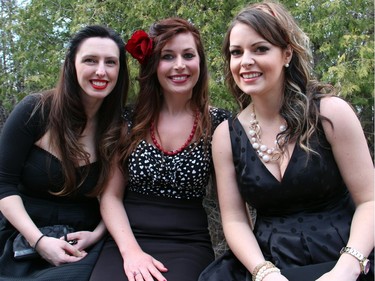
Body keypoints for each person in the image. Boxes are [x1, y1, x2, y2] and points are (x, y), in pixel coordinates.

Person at [199, 2, 374, 281]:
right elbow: (234, 220)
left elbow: (370, 200)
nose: (245, 61)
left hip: (347, 253)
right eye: (236, 52)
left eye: (260, 49)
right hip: (271, 261)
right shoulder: (226, 135)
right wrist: (264, 272)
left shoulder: (330, 114)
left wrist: (348, 267)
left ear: (287, 54)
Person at [89, 17, 230, 281]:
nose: (179, 65)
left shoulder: (219, 124)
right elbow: (110, 197)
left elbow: (231, 205)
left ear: (200, 61)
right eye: (167, 56)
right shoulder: (129, 121)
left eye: (188, 55)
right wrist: (132, 253)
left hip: (188, 243)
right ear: (153, 65)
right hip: (127, 238)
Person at [0, 25, 129, 280]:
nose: (101, 71)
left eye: (110, 62)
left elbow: (118, 197)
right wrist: (39, 241)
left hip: (84, 243)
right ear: (71, 64)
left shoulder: (119, 127)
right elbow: (3, 184)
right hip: (22, 234)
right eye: (90, 60)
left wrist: (98, 234)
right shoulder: (35, 111)